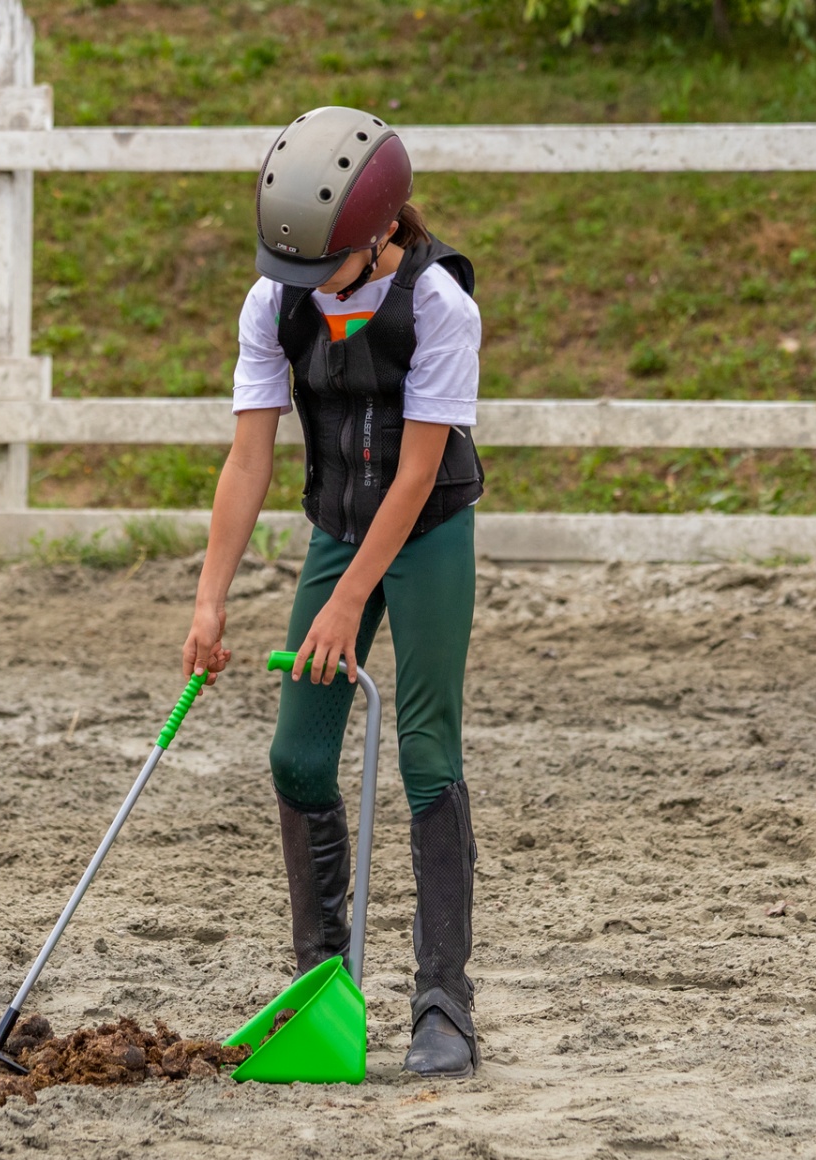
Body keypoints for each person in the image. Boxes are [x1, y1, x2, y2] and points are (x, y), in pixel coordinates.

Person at [181, 106, 484, 1079]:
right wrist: (210, 598)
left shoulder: (441, 309)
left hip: (425, 531)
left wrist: (350, 602)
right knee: (297, 757)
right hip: (337, 529)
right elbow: (249, 458)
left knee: (428, 750)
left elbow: (416, 473)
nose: (301, 292)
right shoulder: (275, 301)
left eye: (324, 270)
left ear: (382, 232)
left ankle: (443, 1001)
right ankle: (323, 982)